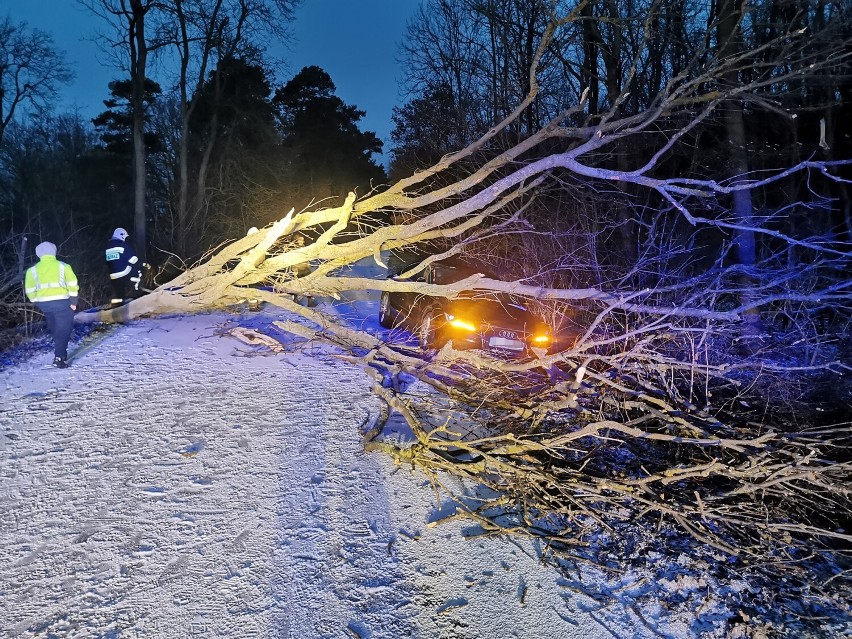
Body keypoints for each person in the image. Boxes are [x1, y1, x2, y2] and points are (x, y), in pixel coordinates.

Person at [24, 242, 79, 369]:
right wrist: (74, 302)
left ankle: (62, 354)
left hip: (44, 304)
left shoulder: (32, 270)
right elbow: (72, 284)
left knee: (55, 328)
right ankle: (59, 357)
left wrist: (37, 302)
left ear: (38, 254)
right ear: (54, 252)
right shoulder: (63, 266)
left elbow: (30, 290)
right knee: (63, 329)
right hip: (62, 302)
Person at [105, 227, 143, 305]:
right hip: (124, 272)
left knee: (118, 293)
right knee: (137, 273)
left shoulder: (108, 247)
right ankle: (137, 293)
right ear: (121, 235)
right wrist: (140, 264)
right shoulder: (123, 245)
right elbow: (133, 258)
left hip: (112, 275)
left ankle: (116, 305)